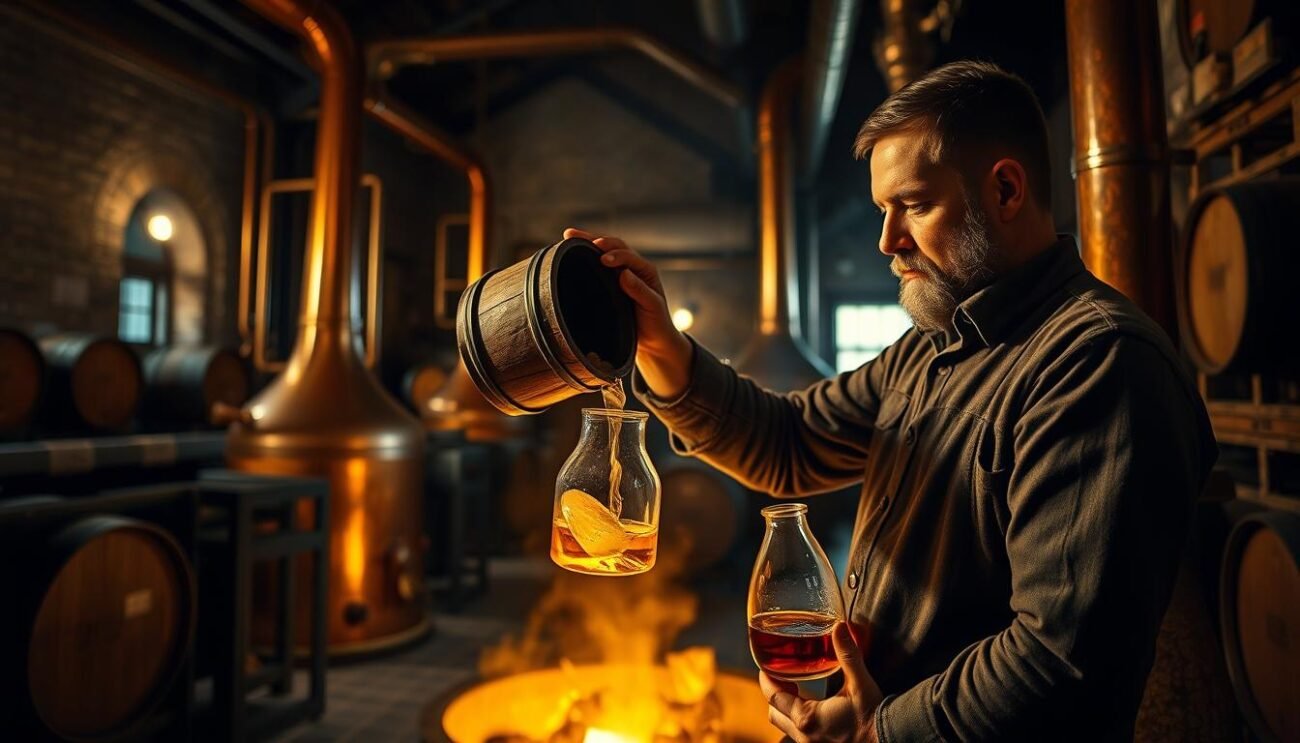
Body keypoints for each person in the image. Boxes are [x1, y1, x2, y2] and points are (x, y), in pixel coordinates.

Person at [564, 59, 1215, 742]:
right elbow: (789, 443)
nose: (887, 241)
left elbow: (1058, 661)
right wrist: (664, 348)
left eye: (913, 205)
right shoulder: (932, 348)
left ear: (1006, 189)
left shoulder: (1096, 363)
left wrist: (880, 728)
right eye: (882, 210)